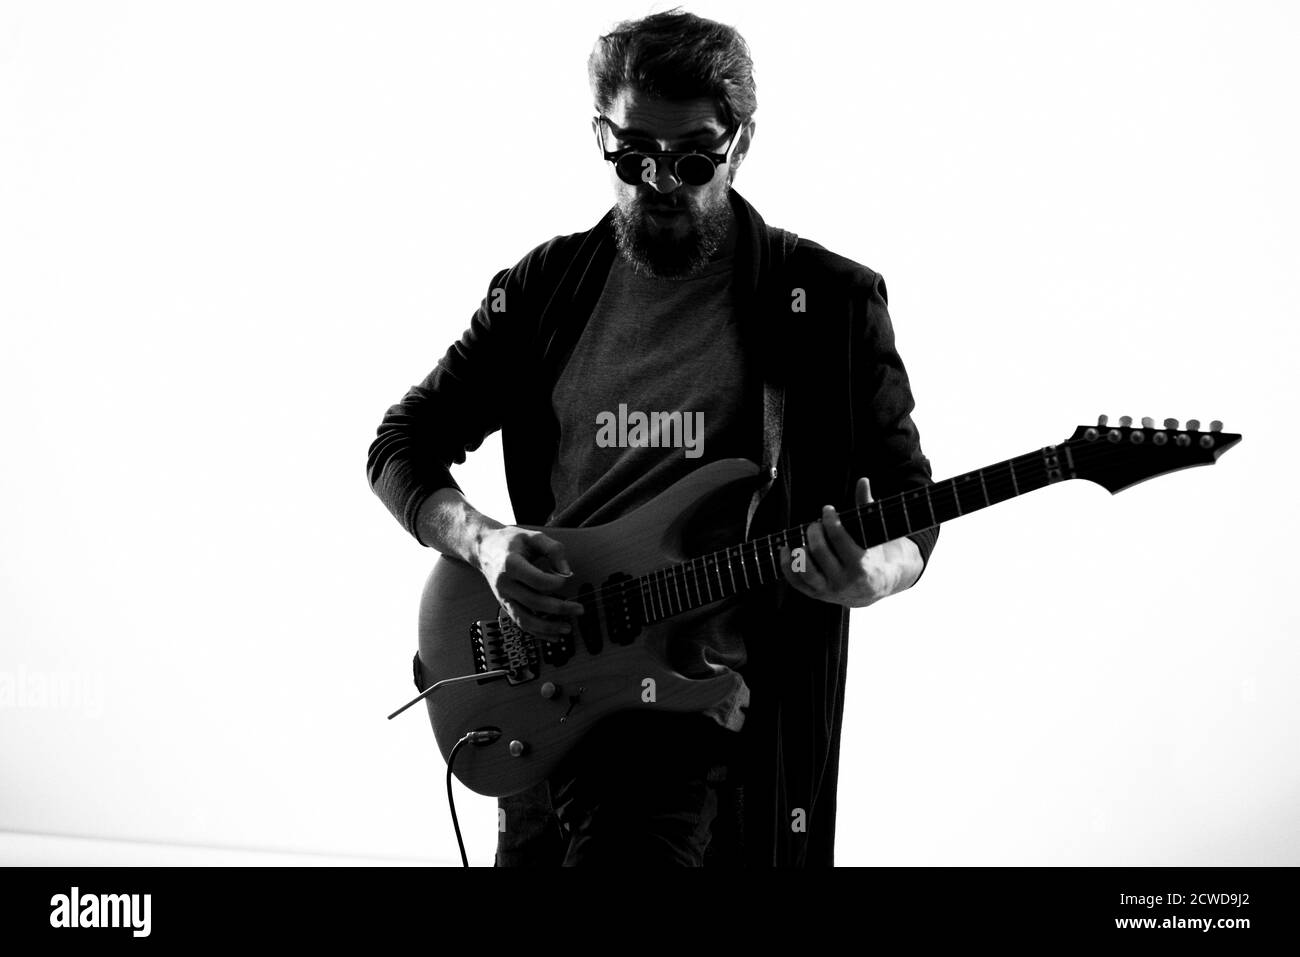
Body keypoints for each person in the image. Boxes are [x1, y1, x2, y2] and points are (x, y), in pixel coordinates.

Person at [366, 8, 940, 867]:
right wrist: (484, 544)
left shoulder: (828, 305)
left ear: (741, 145)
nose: (659, 185)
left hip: (695, 710)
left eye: (693, 159)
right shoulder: (544, 290)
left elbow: (911, 507)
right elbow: (402, 444)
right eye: (632, 156)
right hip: (543, 688)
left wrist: (874, 572)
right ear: (599, 133)